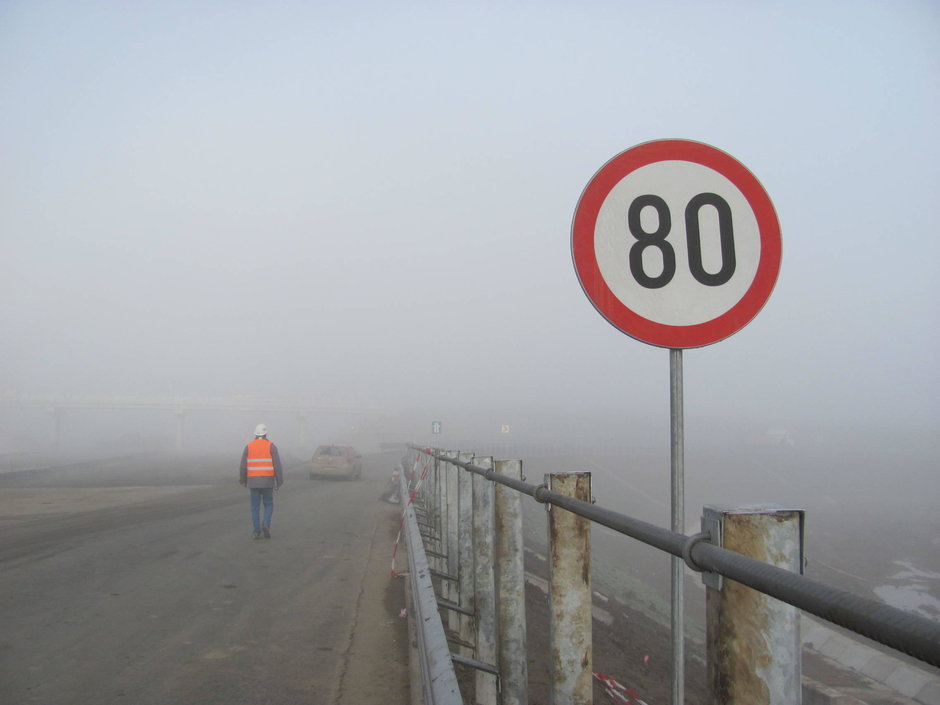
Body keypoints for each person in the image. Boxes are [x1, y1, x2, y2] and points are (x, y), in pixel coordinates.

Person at [239, 423, 284, 539]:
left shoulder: (249, 446)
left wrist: (243, 480)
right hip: (267, 481)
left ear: (255, 434)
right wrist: (279, 481)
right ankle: (266, 523)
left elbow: (243, 465)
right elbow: (277, 465)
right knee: (268, 504)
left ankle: (256, 531)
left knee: (255, 507)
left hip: (253, 482)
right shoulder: (271, 446)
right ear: (266, 434)